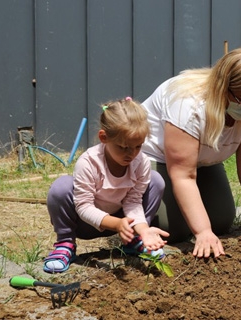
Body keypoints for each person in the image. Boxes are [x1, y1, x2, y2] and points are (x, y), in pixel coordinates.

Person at [141, 47, 241, 259]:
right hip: (154, 157)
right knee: (173, 228)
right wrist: (202, 232)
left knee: (221, 220)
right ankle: (125, 211)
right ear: (223, 88)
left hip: (203, 160)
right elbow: (183, 174)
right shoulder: (188, 104)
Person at [44, 97, 169, 274]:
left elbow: (133, 201)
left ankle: (135, 240)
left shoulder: (140, 162)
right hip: (86, 223)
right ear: (104, 137)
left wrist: (143, 230)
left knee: (156, 180)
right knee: (61, 188)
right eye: (123, 147)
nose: (131, 154)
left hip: (125, 224)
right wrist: (116, 224)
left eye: (138, 147)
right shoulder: (89, 162)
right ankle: (65, 244)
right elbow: (84, 206)